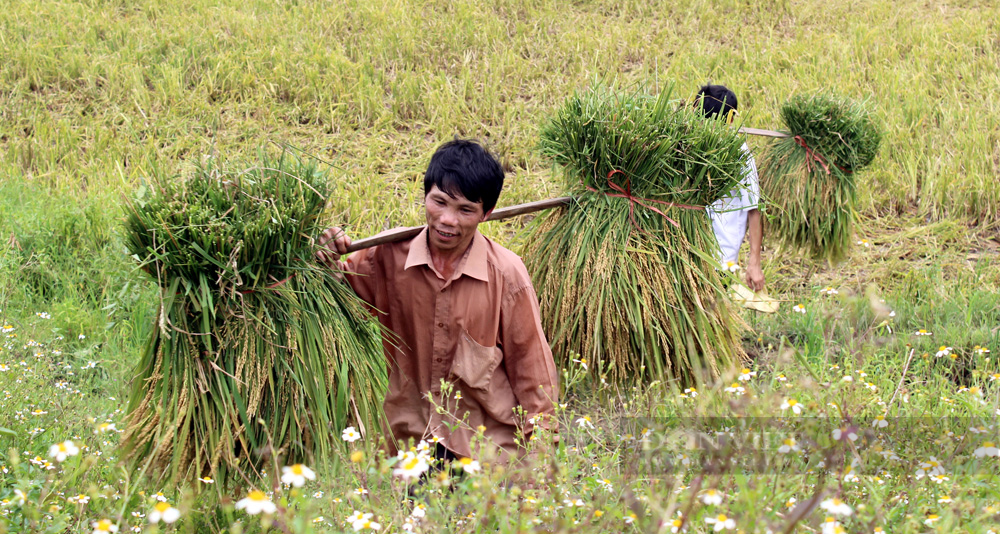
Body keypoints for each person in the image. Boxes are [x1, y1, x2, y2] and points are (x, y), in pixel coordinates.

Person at [316, 139, 559, 465]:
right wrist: (323, 254)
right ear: (426, 196)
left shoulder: (506, 274)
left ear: (486, 214)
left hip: (488, 447)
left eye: (465, 210)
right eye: (439, 202)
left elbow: (533, 369)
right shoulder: (387, 257)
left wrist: (542, 458)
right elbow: (335, 294)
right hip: (410, 438)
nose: (447, 220)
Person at [696, 84, 765, 292]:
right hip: (687, 252)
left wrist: (754, 263)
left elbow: (753, 208)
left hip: (721, 258)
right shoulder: (688, 145)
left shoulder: (739, 155)